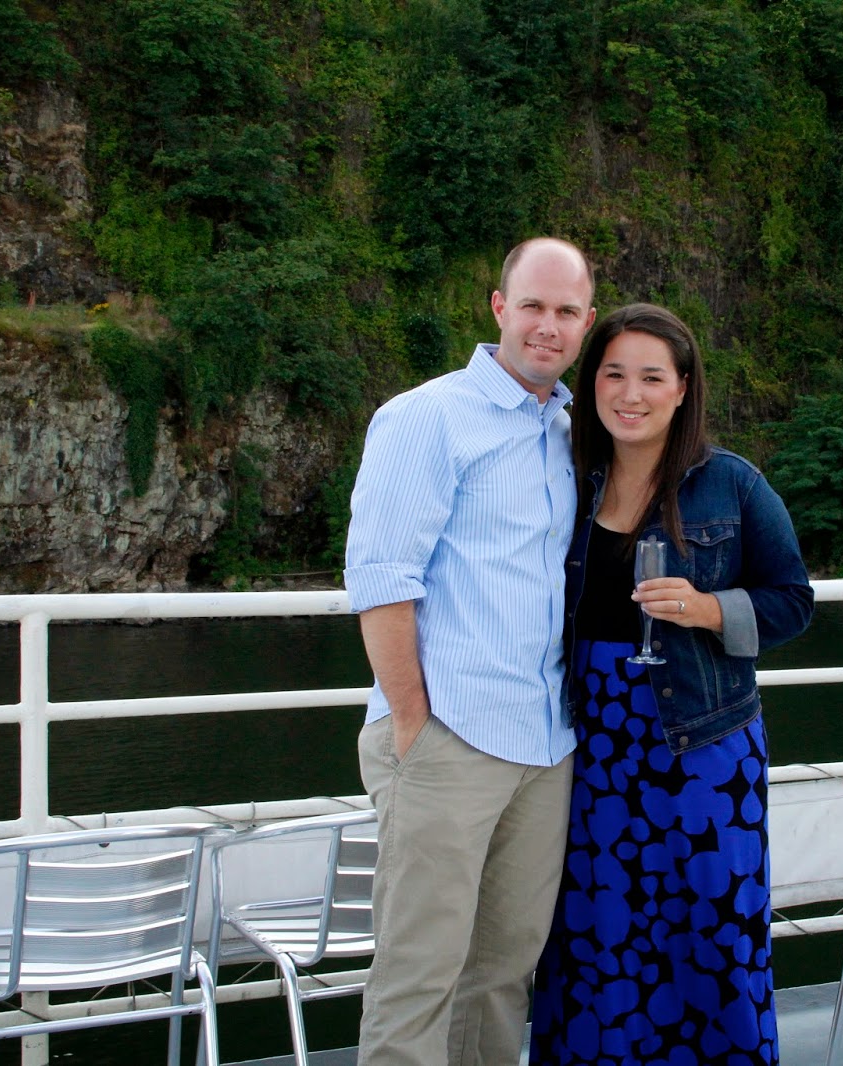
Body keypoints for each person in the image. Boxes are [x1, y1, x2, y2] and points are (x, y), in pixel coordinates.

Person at [529, 303, 815, 1065]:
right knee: (597, 932)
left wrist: (709, 608)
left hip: (704, 746)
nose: (631, 394)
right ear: (591, 383)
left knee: (712, 930)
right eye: (614, 374)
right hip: (592, 745)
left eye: (652, 377)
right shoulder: (565, 480)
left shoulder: (732, 484)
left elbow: (793, 601)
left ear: (683, 388)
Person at [344, 237, 596, 1065]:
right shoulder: (428, 416)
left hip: (544, 744)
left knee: (501, 975)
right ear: (498, 308)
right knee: (419, 974)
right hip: (448, 737)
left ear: (586, 323)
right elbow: (381, 578)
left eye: (566, 311)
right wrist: (413, 724)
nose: (548, 326)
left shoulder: (570, 432)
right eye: (533, 306)